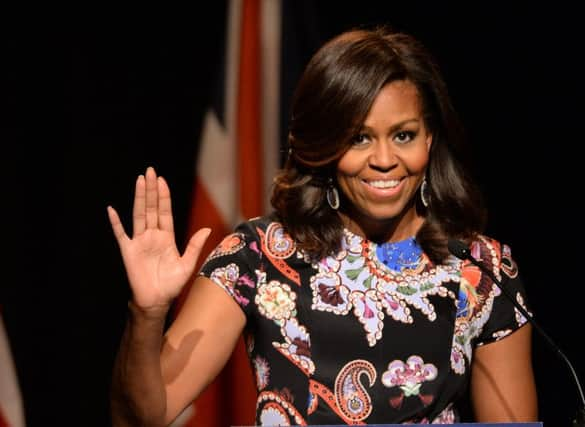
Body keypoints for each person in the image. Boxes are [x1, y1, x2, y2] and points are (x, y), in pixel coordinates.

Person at [107, 27, 537, 425]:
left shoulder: (480, 269)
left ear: (430, 139)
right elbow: (142, 416)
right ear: (324, 147)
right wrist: (148, 314)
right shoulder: (259, 256)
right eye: (359, 138)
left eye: (403, 135)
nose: (385, 159)